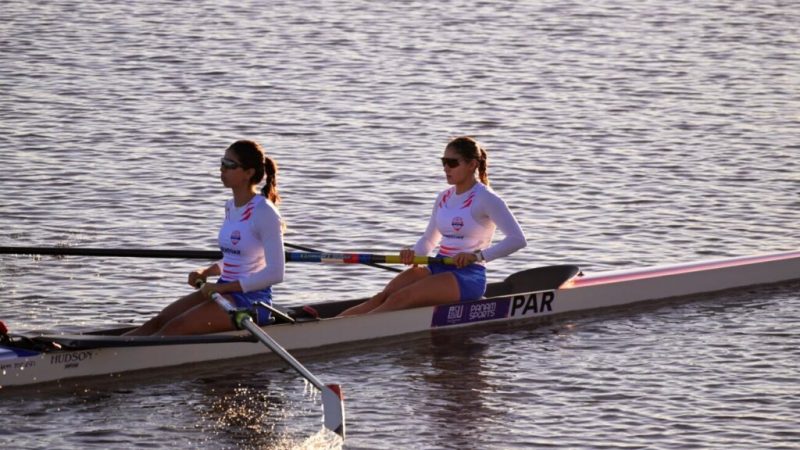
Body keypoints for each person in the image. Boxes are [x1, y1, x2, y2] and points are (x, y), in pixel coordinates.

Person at [339, 136, 526, 316]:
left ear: (472, 165)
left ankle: (351, 330)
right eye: (444, 162)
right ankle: (334, 324)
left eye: (453, 163)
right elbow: (429, 239)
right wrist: (414, 254)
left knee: (401, 298)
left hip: (468, 275)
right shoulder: (443, 197)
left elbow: (517, 240)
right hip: (438, 265)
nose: (446, 168)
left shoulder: (486, 199)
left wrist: (476, 256)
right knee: (383, 296)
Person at [125, 140, 285, 335]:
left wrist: (226, 288)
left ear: (249, 173)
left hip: (251, 300)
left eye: (229, 165)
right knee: (158, 322)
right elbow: (237, 258)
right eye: (222, 162)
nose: (222, 169)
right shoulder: (230, 206)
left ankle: (127, 361)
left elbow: (276, 273)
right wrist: (206, 272)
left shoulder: (265, 212)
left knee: (174, 329)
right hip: (223, 290)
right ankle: (102, 355)